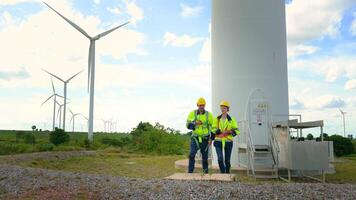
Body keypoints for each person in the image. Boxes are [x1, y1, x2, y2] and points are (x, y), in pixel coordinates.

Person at [211, 101, 240, 174]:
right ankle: (223, 174)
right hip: (218, 141)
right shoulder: (216, 119)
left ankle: (227, 173)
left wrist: (230, 131)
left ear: (227, 109)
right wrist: (217, 131)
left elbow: (237, 130)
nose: (223, 109)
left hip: (228, 141)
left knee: (227, 160)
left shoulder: (232, 119)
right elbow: (213, 129)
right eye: (222, 108)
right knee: (220, 159)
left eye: (224, 108)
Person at [186, 97, 213, 173]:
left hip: (205, 138)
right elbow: (187, 125)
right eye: (200, 105)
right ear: (197, 105)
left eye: (203, 105)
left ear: (205, 105)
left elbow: (213, 128)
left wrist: (211, 139)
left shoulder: (209, 115)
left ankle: (205, 173)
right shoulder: (192, 113)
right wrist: (194, 123)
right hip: (195, 138)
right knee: (191, 154)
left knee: (205, 157)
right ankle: (190, 173)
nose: (201, 107)